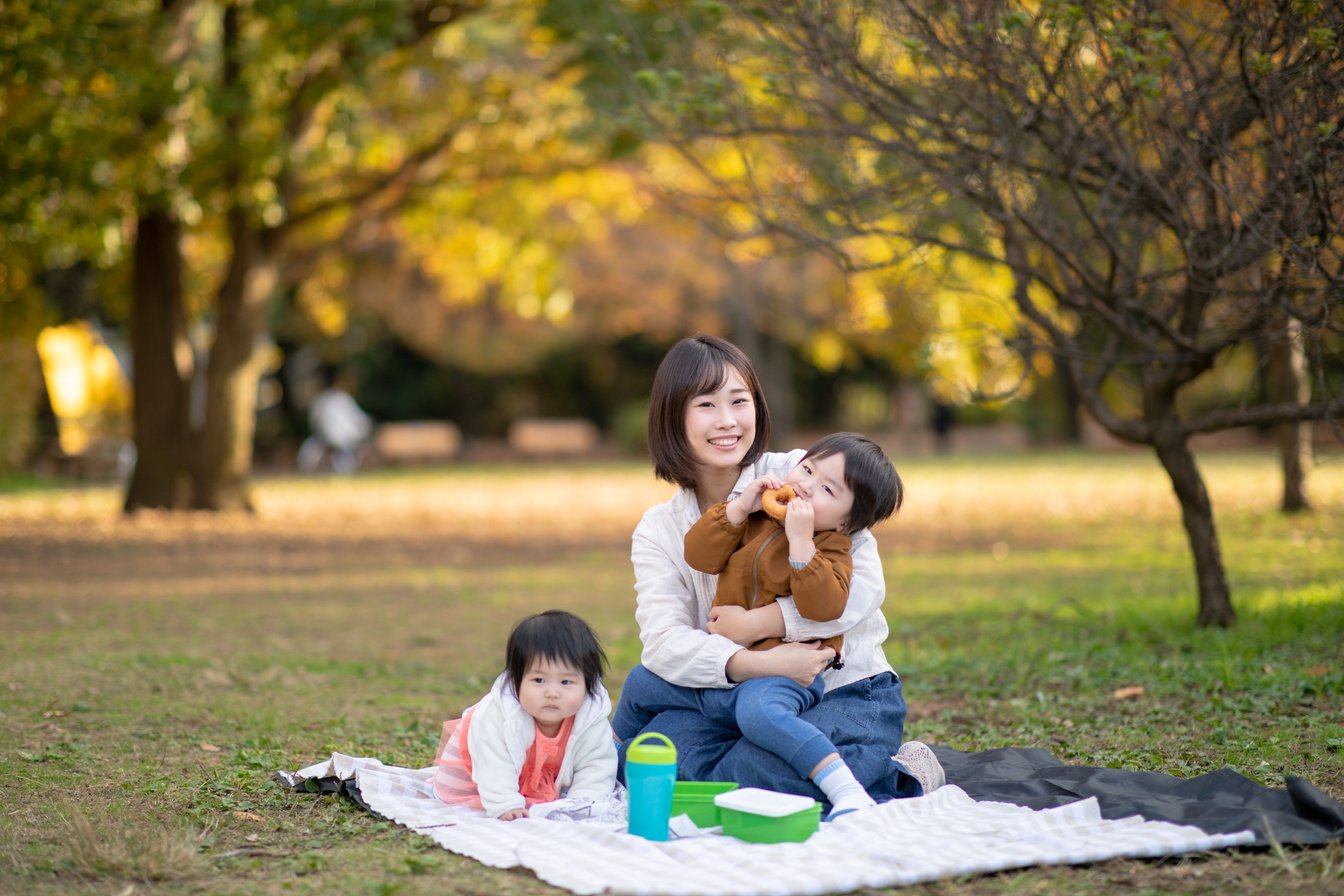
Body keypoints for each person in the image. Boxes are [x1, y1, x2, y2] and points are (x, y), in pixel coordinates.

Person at [614, 334, 945, 812]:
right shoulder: (660, 529)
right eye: (705, 404)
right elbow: (663, 644)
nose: (727, 420)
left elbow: (863, 592)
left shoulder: (803, 476)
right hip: (733, 696)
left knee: (764, 774)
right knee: (649, 758)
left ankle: (903, 771)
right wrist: (759, 663)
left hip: (844, 688)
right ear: (673, 417)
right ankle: (780, 767)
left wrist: (765, 625)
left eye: (739, 401)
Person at [612, 432, 905, 819]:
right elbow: (698, 554)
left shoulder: (834, 546)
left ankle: (850, 785)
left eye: (826, 490)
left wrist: (801, 546)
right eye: (807, 470)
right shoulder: (756, 510)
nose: (804, 485)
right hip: (729, 679)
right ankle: (603, 757)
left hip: (794, 681)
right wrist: (736, 509)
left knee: (758, 727)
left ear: (848, 522)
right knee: (641, 685)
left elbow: (828, 606)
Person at [432, 610, 618, 820]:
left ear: (587, 685)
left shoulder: (590, 719)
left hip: (527, 778)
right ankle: (507, 796)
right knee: (492, 779)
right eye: (538, 680)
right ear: (516, 680)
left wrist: (582, 803)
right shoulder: (498, 717)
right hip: (474, 781)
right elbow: (493, 762)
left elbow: (597, 765)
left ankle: (524, 792)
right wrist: (505, 804)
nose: (552, 693)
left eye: (566, 682)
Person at [299, 368, 373, 474]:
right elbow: (357, 420)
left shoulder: (321, 400)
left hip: (331, 438)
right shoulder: (341, 398)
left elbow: (314, 423)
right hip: (342, 439)